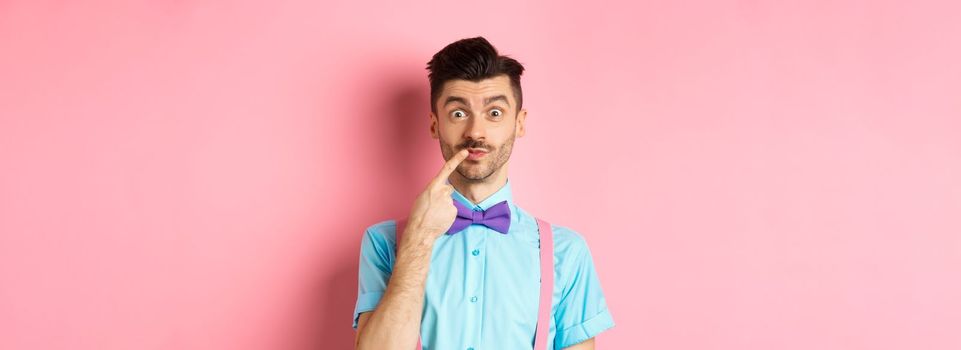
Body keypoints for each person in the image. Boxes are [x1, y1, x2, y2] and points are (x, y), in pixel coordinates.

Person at [352, 36, 614, 350]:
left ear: (519, 123)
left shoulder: (566, 252)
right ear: (435, 125)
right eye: (459, 114)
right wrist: (418, 242)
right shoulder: (384, 243)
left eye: (494, 113)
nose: (476, 132)